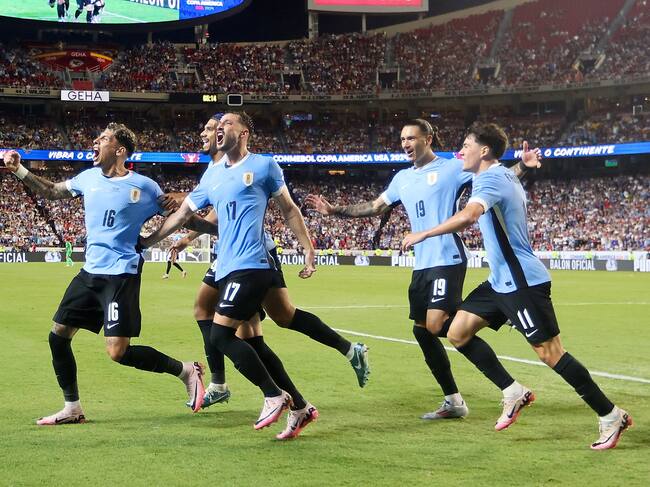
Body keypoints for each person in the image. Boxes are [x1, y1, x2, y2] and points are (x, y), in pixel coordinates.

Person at [401, 122, 631, 450]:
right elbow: (504, 179)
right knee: (458, 332)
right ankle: (513, 392)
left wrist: (423, 233)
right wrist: (523, 164)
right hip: (499, 282)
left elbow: (468, 216)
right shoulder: (498, 174)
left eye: (466, 145)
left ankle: (610, 414)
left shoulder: (491, 178)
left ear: (483, 151)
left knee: (550, 353)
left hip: (521, 282)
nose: (460, 151)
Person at [306, 119, 540, 420]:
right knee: (422, 331)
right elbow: (376, 206)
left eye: (411, 138)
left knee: (436, 324)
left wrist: (524, 165)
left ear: (428, 139)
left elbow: (497, 178)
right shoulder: (402, 178)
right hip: (422, 265)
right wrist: (334, 210)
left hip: (447, 257)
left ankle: (507, 369)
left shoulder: (452, 168)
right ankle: (454, 401)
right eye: (402, 138)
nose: (405, 143)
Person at [2, 123, 217, 425]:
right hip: (90, 273)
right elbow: (51, 192)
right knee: (58, 336)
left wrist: (220, 228)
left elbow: (184, 218)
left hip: (120, 275)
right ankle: (72, 407)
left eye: (103, 139)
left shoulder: (144, 187)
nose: (95, 141)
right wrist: (19, 170)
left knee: (118, 352)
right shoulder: (87, 178)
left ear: (119, 150)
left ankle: (185, 370)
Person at [169, 115, 370, 412]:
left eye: (212, 129)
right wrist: (186, 233)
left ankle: (236, 387)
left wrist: (187, 227)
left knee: (236, 320)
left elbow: (228, 216)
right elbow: (219, 217)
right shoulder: (216, 170)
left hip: (253, 256)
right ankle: (308, 384)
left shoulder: (246, 166)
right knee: (262, 326)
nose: (206, 133)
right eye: (212, 128)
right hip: (230, 257)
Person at [142, 113, 324, 439]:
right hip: (227, 267)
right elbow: (183, 215)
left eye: (226, 123)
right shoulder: (212, 177)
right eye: (218, 124)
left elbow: (290, 210)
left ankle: (272, 394)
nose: (219, 128)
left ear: (243, 132)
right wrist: (148, 241)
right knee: (252, 342)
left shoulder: (265, 166)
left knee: (221, 335)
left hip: (253, 264)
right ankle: (299, 406)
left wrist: (308, 249)